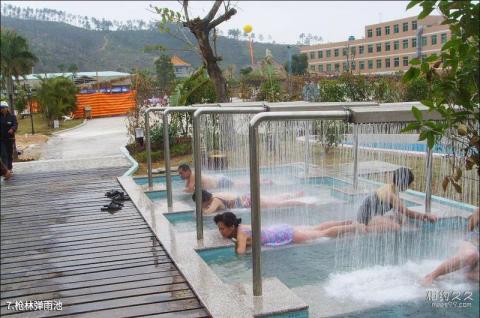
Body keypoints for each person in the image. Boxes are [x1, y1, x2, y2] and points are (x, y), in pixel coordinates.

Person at [214, 211, 366, 254]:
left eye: (222, 228)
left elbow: (240, 252)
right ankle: (346, 222)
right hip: (280, 229)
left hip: (285, 235)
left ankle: (353, 227)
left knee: (322, 233)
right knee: (316, 228)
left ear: (232, 226)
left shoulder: (240, 233)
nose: (220, 232)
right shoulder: (241, 228)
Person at [356, 167, 437, 232]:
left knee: (398, 220)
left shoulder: (392, 188)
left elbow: (399, 212)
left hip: (370, 214)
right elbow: (407, 212)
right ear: (404, 184)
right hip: (366, 217)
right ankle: (363, 229)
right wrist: (426, 216)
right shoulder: (391, 194)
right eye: (409, 184)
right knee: (395, 227)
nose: (408, 187)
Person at [421, 208, 479, 286]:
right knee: (471, 254)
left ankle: (466, 274)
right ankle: (432, 275)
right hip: (473, 241)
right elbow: (469, 230)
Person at [193, 189, 314, 214]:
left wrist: (201, 209)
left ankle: (304, 203)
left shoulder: (215, 201)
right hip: (247, 197)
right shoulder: (214, 195)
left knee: (277, 204)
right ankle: (294, 194)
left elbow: (208, 212)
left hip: (249, 201)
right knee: (274, 198)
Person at [177, 163, 271, 193]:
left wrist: (179, 192)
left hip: (220, 182)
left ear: (187, 171)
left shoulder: (193, 175)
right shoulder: (190, 176)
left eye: (181, 173)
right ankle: (261, 180)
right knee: (240, 183)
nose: (180, 175)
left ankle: (264, 182)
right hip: (219, 180)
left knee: (243, 185)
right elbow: (188, 188)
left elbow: (189, 190)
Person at [0, 101, 18, 174]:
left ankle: (10, 168)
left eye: (4, 107)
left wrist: (12, 129)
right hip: (1, 139)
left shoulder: (12, 116)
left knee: (9, 153)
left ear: (7, 108)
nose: (2, 109)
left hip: (10, 139)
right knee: (3, 154)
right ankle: (6, 170)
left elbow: (15, 124)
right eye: (1, 108)